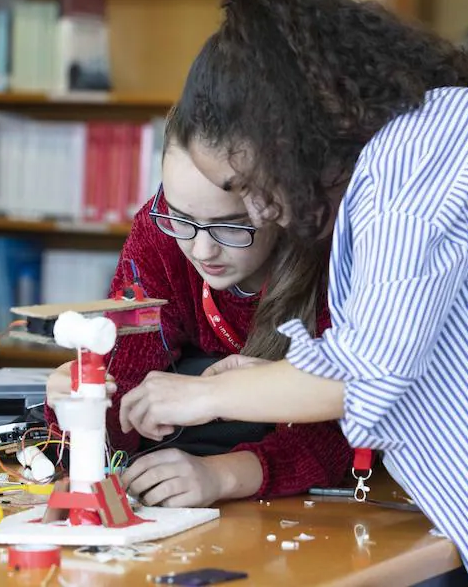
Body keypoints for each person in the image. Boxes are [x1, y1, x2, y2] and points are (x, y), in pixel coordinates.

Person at [118, 0, 468, 585]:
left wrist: (199, 398)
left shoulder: (407, 165)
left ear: (285, 128)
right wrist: (266, 384)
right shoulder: (463, 128)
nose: (262, 210)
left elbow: (364, 376)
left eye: (248, 182)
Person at [43, 116, 353, 508]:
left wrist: (220, 475)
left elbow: (341, 429)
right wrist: (76, 409)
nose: (203, 251)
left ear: (280, 205)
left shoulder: (334, 253)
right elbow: (121, 404)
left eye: (231, 226)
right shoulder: (160, 237)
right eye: (181, 217)